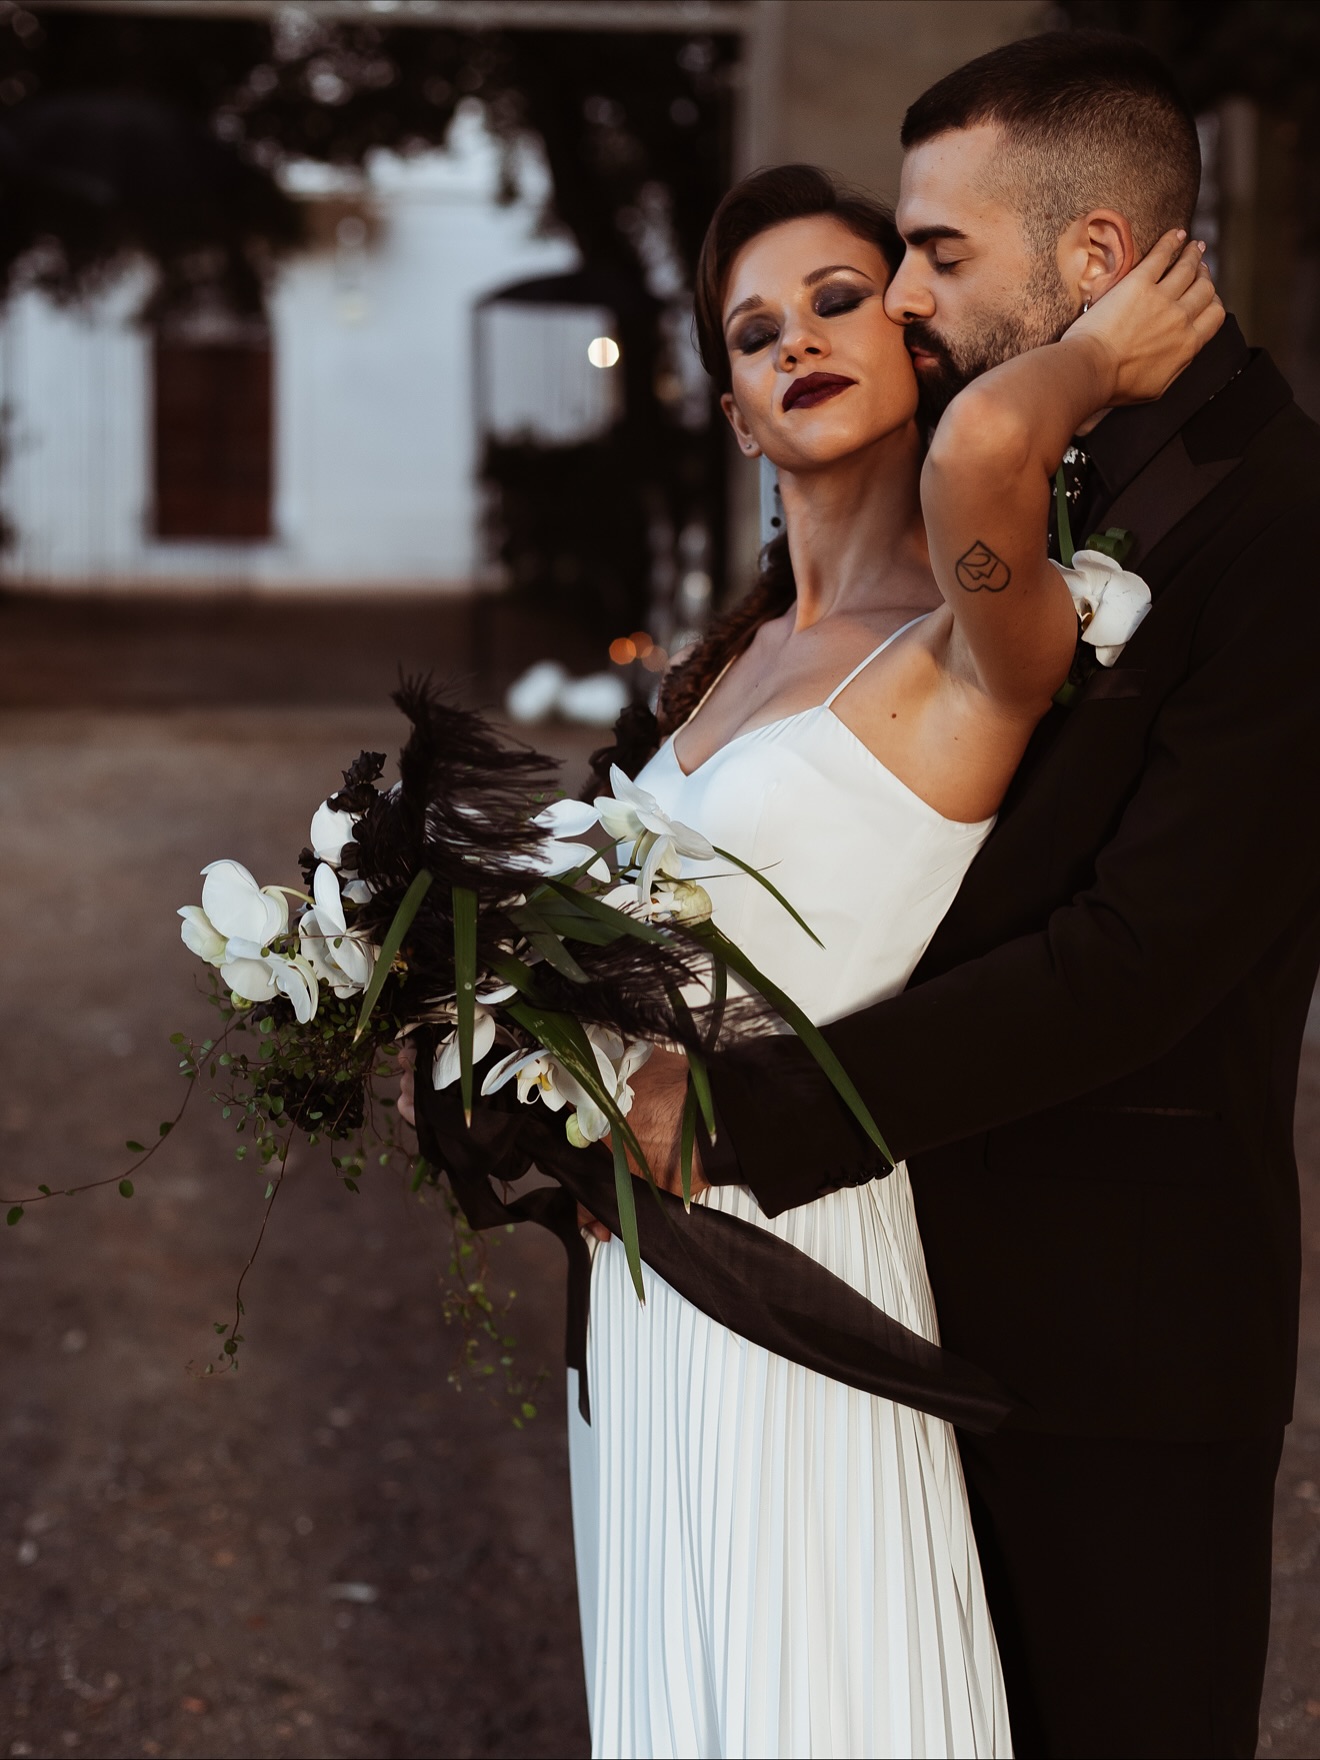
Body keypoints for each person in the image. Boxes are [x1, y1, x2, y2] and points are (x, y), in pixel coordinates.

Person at [615, 31, 1320, 1760]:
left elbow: (1138, 961)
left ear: (1091, 261)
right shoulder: (1050, 478)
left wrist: (734, 1116)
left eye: (938, 253)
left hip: (1117, 1331)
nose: (911, 302)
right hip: (912, 1289)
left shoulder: (1280, 520)